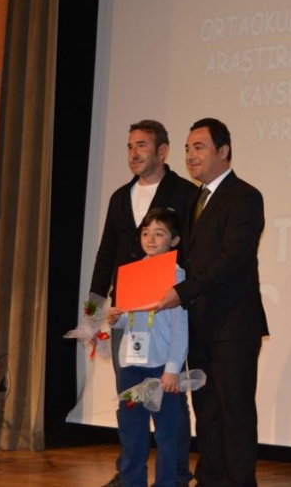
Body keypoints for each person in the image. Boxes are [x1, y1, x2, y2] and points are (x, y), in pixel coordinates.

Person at [156, 117, 269, 487]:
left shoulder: (245, 196)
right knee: (206, 411)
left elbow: (231, 259)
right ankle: (210, 479)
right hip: (198, 324)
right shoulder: (193, 200)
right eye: (187, 148)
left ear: (224, 151)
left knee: (235, 410)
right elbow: (183, 259)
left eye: (199, 147)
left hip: (233, 326)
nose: (191, 155)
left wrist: (182, 292)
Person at [88, 119, 198, 487]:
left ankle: (176, 476)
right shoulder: (121, 196)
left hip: (167, 311)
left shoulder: (185, 192)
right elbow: (107, 251)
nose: (134, 153)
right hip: (127, 315)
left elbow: (194, 251)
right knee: (130, 402)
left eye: (142, 145)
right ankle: (129, 475)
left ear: (162, 151)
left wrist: (185, 291)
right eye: (130, 146)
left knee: (170, 405)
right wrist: (95, 310)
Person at [108, 208, 189, 487]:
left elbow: (180, 328)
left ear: (174, 240)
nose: (151, 239)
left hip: (160, 367)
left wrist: (172, 369)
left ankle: (167, 482)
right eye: (146, 233)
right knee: (132, 431)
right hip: (131, 365)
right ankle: (132, 482)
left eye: (159, 233)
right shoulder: (132, 272)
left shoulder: (177, 276)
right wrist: (116, 319)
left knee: (166, 433)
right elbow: (128, 319)